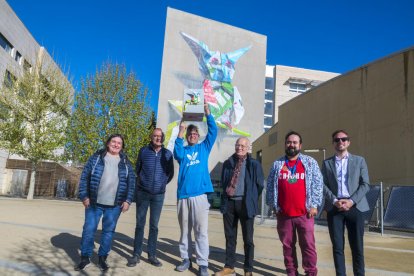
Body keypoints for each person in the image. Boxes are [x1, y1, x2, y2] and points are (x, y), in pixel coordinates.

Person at [75, 134, 135, 272]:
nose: (116, 144)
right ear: (108, 143)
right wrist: (84, 196)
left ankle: (102, 258)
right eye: (113, 141)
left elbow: (131, 183)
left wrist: (128, 200)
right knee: (89, 230)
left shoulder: (126, 162)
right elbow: (84, 177)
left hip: (115, 206)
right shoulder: (96, 158)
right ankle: (85, 258)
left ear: (122, 146)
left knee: (108, 232)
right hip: (94, 204)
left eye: (119, 143)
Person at [266, 131, 323, 276]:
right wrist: (273, 206)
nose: (291, 145)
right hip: (284, 214)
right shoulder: (277, 164)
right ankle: (291, 272)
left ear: (300, 145)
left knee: (308, 246)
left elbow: (318, 184)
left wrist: (315, 205)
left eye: (294, 142)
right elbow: (271, 186)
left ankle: (310, 272)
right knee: (287, 246)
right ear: (285, 144)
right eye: (289, 142)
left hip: (305, 213)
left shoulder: (310, 162)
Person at [173, 102, 217, 276]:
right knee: (185, 231)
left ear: (198, 136)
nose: (192, 135)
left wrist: (208, 114)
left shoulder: (203, 148)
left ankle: (203, 263)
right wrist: (180, 133)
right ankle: (185, 258)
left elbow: (213, 132)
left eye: (195, 133)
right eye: (190, 134)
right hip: (183, 196)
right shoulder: (182, 151)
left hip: (199, 196)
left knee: (201, 231)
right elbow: (176, 153)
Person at [321, 130, 370, 276]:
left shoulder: (359, 160)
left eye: (344, 139)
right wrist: (335, 201)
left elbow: (365, 184)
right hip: (335, 208)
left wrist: (351, 201)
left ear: (348, 142)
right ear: (333, 143)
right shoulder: (327, 163)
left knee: (357, 247)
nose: (340, 142)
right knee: (337, 247)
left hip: (355, 207)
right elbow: (322, 185)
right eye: (337, 140)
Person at [215, 137, 264, 276]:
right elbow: (224, 182)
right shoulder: (228, 163)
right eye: (237, 145)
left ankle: (248, 269)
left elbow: (260, 185)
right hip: (229, 204)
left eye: (243, 145)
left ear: (248, 147)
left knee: (248, 240)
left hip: (246, 204)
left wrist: (251, 198)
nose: (239, 147)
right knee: (230, 237)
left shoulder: (254, 164)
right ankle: (229, 266)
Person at [127, 128, 174, 267]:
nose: (158, 138)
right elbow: (138, 169)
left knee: (154, 226)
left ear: (163, 138)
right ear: (151, 137)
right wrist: (143, 183)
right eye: (155, 136)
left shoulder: (168, 154)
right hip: (143, 193)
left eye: (160, 136)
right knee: (140, 224)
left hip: (158, 195)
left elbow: (170, 173)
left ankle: (152, 255)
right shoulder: (143, 151)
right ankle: (136, 254)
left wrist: (162, 184)